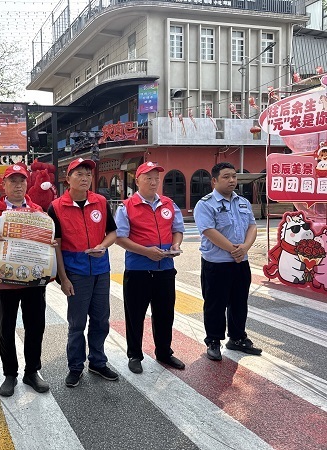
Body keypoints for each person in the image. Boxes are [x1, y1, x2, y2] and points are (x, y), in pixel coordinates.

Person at [48, 157, 118, 387]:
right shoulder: (56, 207)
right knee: (77, 323)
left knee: (101, 320)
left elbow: (112, 233)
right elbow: (56, 246)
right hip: (76, 273)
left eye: (88, 174)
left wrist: (102, 246)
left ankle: (97, 362)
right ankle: (75, 367)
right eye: (79, 174)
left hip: (101, 270)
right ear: (68, 179)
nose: (85, 178)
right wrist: (63, 278)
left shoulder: (100, 202)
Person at [0, 164, 52, 397]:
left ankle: (32, 371)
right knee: (7, 327)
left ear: (27, 183)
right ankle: (10, 373)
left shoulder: (38, 211)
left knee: (35, 325)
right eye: (12, 181)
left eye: (21, 180)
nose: (18, 185)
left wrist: (49, 242)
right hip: (7, 279)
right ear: (4, 185)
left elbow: (47, 240)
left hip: (34, 278)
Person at [114, 161, 186, 375]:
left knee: (165, 314)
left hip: (165, 269)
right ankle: (135, 355)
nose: (154, 182)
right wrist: (146, 252)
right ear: (137, 181)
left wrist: (176, 245)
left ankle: (164, 352)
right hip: (138, 271)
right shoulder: (127, 206)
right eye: (148, 178)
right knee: (135, 315)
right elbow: (120, 238)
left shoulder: (169, 204)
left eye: (156, 178)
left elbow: (177, 229)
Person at [193, 162, 261, 361]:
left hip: (240, 262)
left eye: (234, 176)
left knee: (239, 302)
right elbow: (208, 231)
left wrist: (245, 248)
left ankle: (237, 338)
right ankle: (214, 341)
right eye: (226, 177)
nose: (232, 180)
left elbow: (252, 226)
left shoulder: (243, 202)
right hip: (216, 263)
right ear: (214, 181)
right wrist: (234, 249)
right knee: (215, 303)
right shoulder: (205, 204)